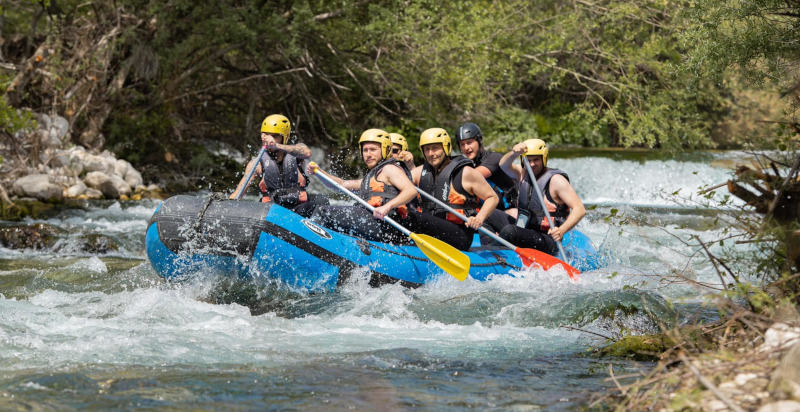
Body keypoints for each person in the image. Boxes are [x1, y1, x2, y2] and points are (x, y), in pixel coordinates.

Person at [307, 129, 418, 243]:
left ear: (386, 150)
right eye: (365, 150)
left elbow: (411, 190)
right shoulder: (372, 176)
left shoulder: (389, 169)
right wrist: (319, 172)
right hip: (370, 220)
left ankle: (309, 244)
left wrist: (387, 207)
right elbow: (341, 184)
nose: (368, 154)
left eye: (373, 150)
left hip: (383, 224)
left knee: (323, 212)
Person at [409, 127, 500, 251]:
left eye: (435, 148)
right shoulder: (419, 172)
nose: (431, 153)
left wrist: (479, 218)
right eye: (427, 149)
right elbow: (401, 185)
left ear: (446, 147)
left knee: (416, 218)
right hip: (432, 231)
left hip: (459, 235)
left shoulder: (466, 173)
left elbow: (492, 197)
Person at [497, 138, 586, 255]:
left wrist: (561, 230)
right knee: (488, 215)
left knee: (510, 231)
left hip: (547, 239)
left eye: (536, 160)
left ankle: (500, 257)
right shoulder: (523, 174)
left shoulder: (556, 181)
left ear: (544, 158)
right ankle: (489, 252)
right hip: (526, 228)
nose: (532, 164)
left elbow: (580, 209)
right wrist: (514, 153)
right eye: (528, 160)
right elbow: (503, 165)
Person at [229, 114, 328, 217]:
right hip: (271, 212)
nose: (270, 139)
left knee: (320, 201)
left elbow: (307, 153)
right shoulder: (256, 164)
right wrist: (224, 206)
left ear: (284, 137)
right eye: (267, 135)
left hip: (299, 210)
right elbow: (237, 194)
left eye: (275, 136)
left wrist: (277, 145)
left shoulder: (296, 154)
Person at [455, 122, 517, 210]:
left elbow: (473, 176)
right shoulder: (468, 164)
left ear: (479, 140)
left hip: (508, 211)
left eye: (469, 142)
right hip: (489, 212)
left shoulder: (494, 158)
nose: (466, 148)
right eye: (462, 144)